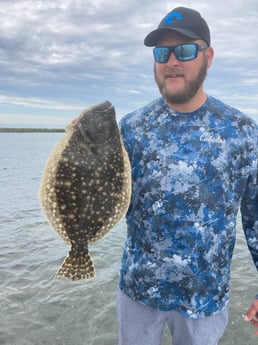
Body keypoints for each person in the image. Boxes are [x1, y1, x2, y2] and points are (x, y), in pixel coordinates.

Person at [116, 6, 258, 345]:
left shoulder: (242, 133)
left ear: (208, 56)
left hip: (205, 300)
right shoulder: (130, 128)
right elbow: (104, 196)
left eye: (185, 50)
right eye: (162, 52)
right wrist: (79, 142)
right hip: (138, 292)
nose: (172, 61)